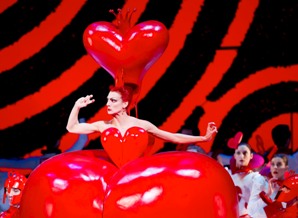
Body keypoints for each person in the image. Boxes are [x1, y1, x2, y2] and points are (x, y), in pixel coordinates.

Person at [66, 85, 218, 168]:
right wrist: (76, 106)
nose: (107, 104)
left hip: (137, 175)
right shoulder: (102, 126)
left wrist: (204, 138)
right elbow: (72, 128)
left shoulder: (142, 125)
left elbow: (173, 137)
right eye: (107, 100)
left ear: (125, 104)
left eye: (113, 100)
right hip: (113, 177)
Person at [0, 118, 88, 172]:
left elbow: (12, 163)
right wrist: (81, 118)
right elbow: (83, 139)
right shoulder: (64, 158)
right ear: (58, 142)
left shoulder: (35, 163)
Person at [226, 142, 267, 217]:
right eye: (238, 153)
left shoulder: (256, 178)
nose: (242, 156)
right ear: (235, 156)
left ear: (251, 156)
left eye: (245, 153)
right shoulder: (227, 175)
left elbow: (271, 197)